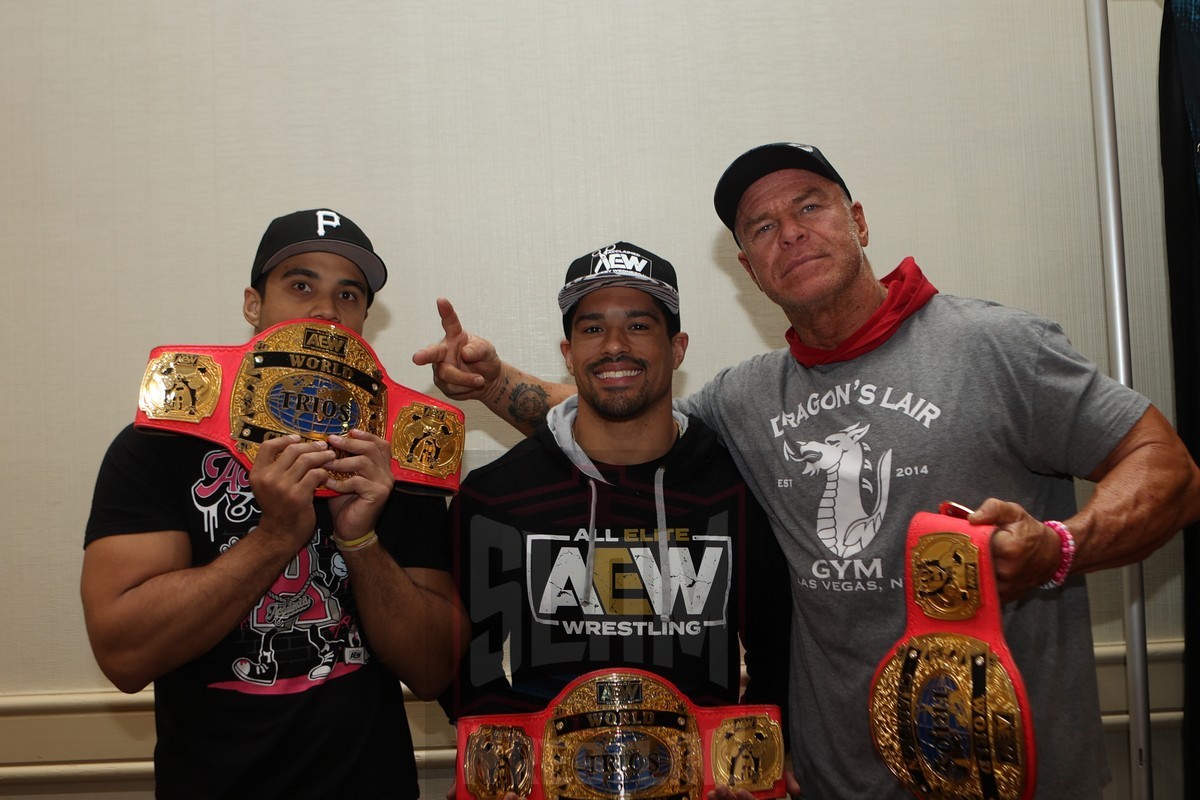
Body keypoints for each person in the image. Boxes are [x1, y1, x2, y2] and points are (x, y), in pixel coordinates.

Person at [413, 145, 1200, 799]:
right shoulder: (750, 397)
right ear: (750, 268)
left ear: (858, 221)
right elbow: (622, 409)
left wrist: (1060, 549)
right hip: (834, 781)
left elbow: (1168, 469)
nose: (788, 233)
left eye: (810, 207)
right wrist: (494, 382)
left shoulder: (995, 347)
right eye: (761, 227)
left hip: (1010, 774)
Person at [82, 209, 468, 799]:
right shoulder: (159, 444)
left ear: (365, 318)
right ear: (252, 304)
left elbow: (435, 668)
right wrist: (276, 536)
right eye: (301, 285)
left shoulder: (394, 457)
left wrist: (360, 540)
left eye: (349, 294)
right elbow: (124, 655)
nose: (326, 309)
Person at [437, 243, 793, 790]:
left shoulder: (734, 486)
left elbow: (776, 645)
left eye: (639, 325)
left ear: (677, 348)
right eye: (592, 329)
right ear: (568, 351)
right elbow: (457, 661)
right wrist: (518, 765)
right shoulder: (497, 495)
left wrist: (753, 755)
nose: (615, 346)